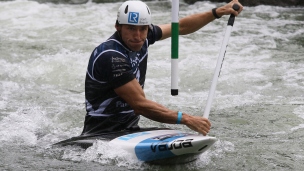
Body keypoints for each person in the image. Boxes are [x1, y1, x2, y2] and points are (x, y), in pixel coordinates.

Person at [81, 0, 243, 136]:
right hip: (101, 132)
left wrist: (217, 12)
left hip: (130, 128)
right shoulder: (111, 56)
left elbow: (180, 27)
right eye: (131, 28)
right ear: (118, 26)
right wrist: (186, 118)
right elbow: (140, 105)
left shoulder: (144, 36)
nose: (138, 36)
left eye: (142, 29)